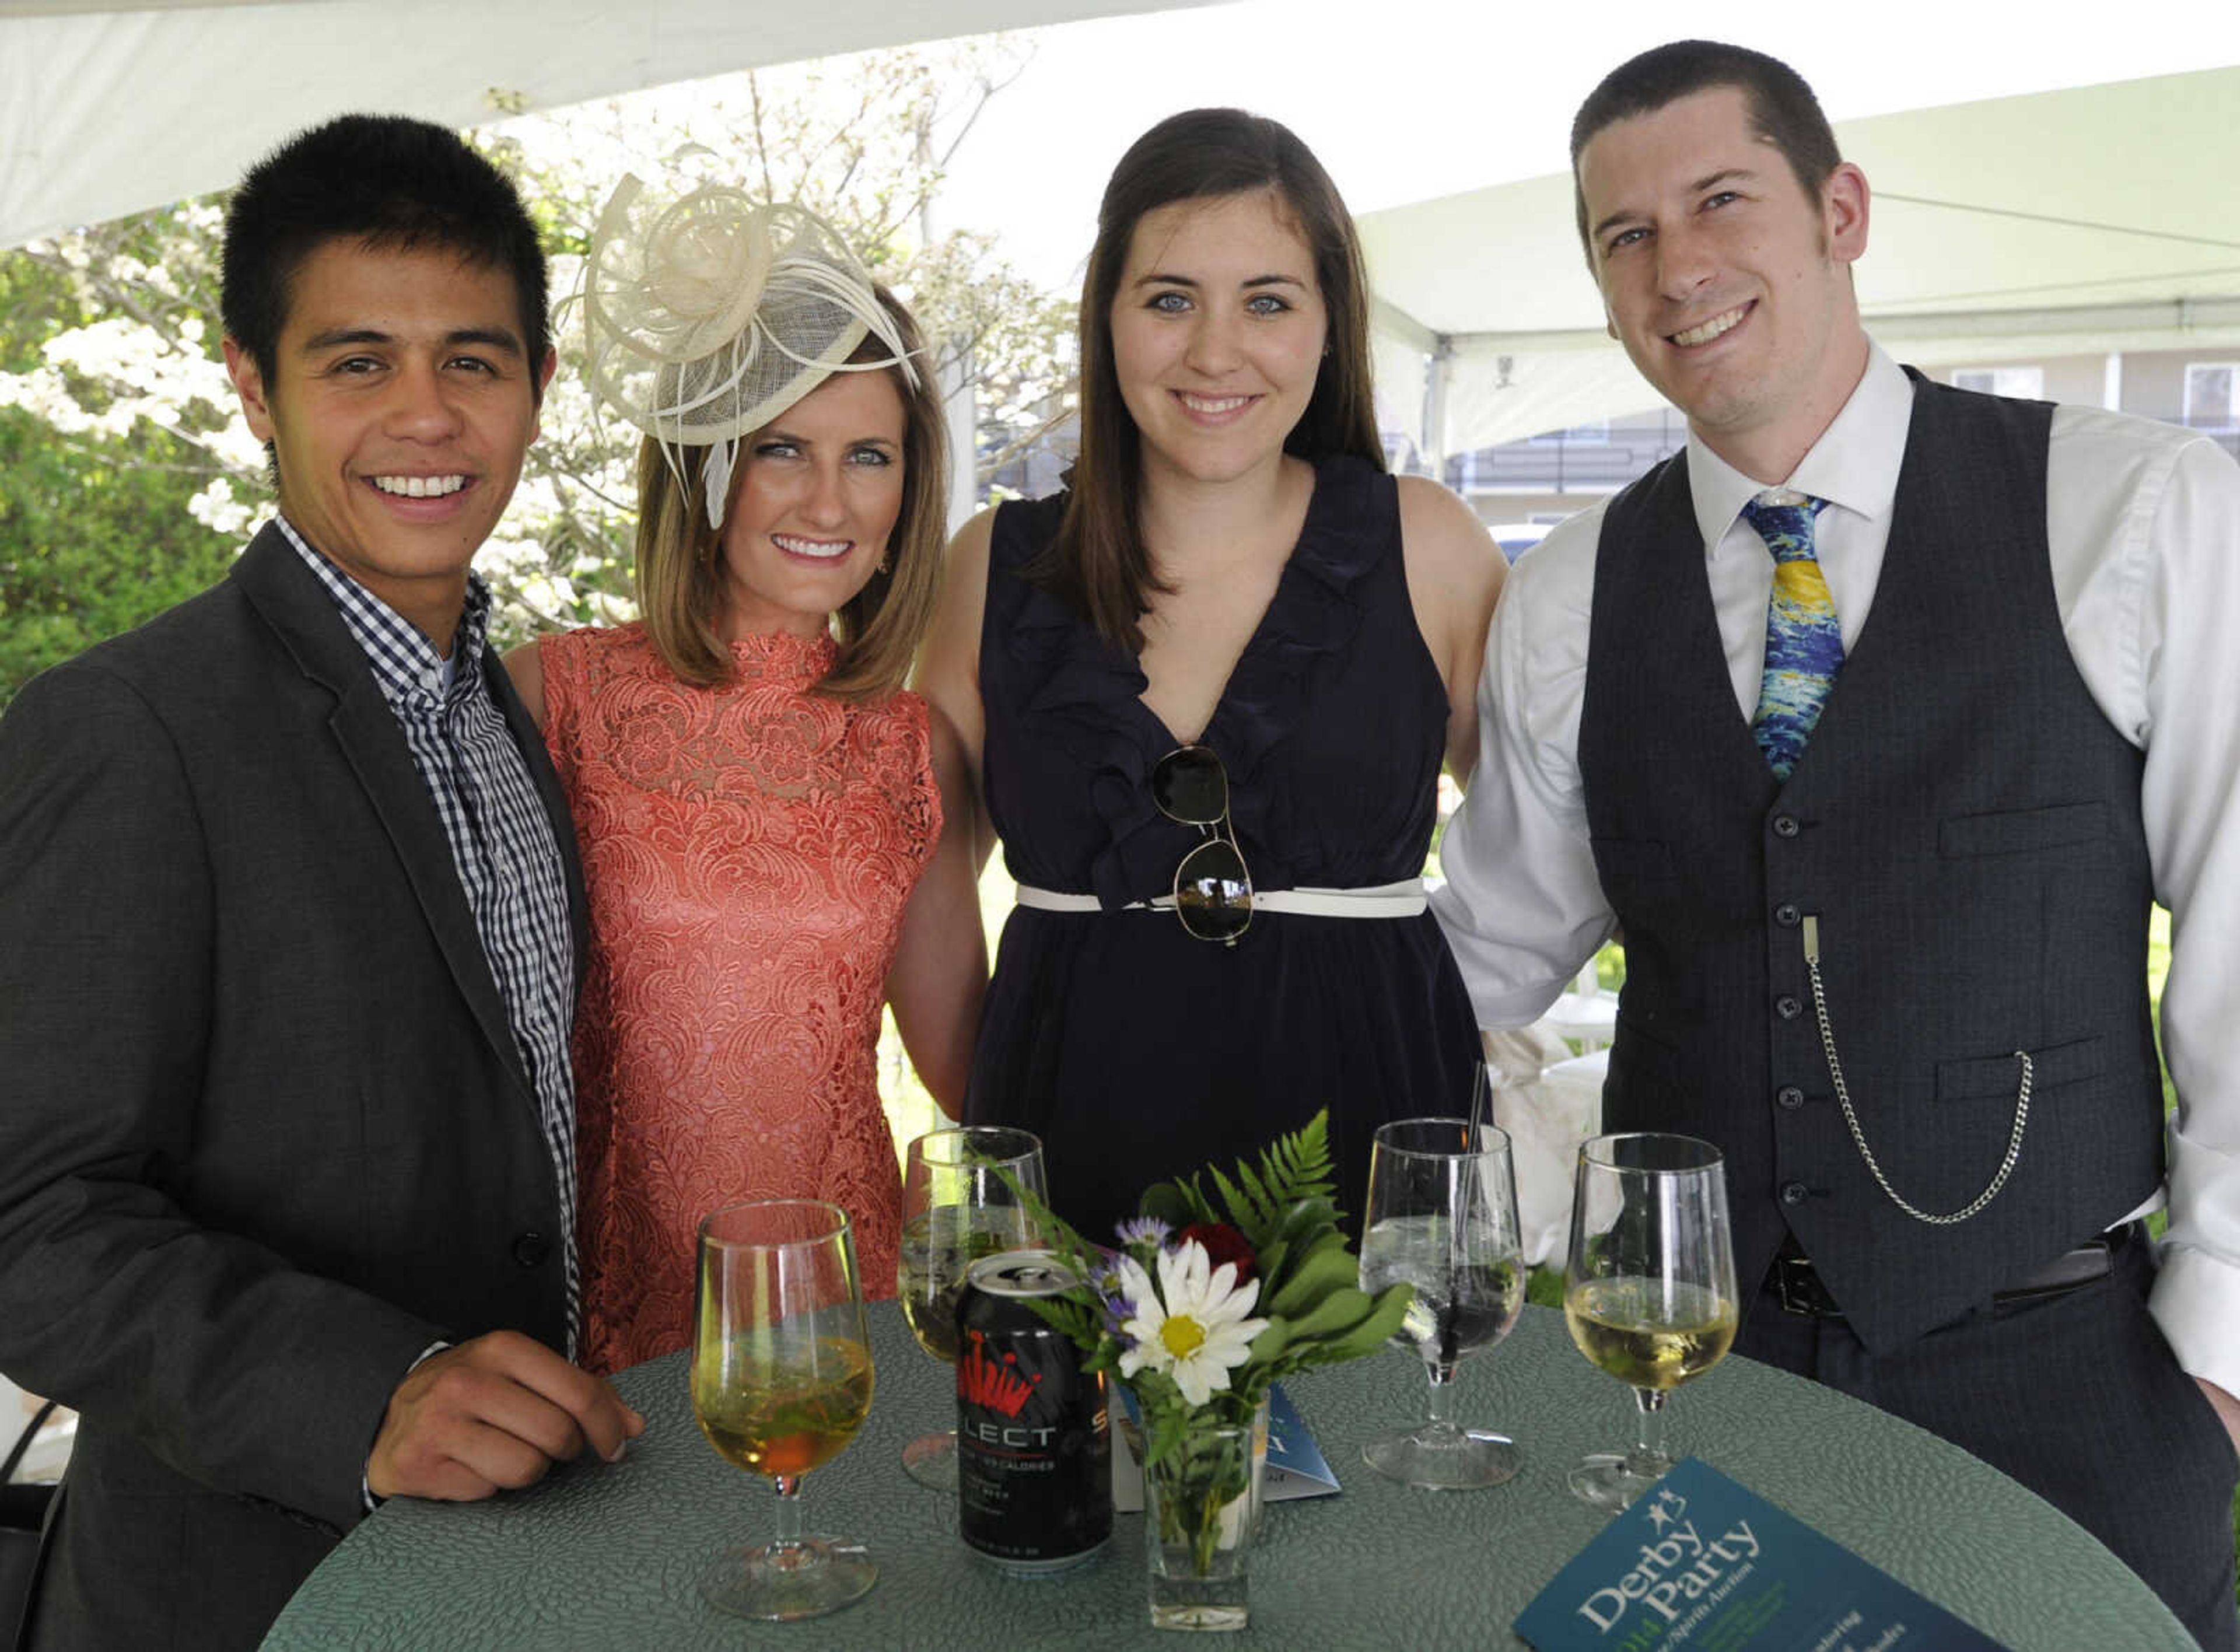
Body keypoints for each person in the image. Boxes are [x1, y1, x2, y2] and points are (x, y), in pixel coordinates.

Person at [1432, 40, 2240, 1647]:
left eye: (1720, 200)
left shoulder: (2131, 506)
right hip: (1695, 1386)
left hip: (2070, 1371)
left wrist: (2218, 1353)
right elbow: (1492, 949)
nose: (1679, 266)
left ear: (1842, 210)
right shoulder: (1573, 594)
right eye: (1624, 236)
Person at [0, 116, 642, 1652]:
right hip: (241, 1598)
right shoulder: (130, 729)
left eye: (473, 362)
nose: (425, 417)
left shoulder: (508, 721)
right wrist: (368, 1394)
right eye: (359, 362)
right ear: (251, 387)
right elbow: (28, 1215)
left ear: (539, 392)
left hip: (503, 1576)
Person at [919, 108, 1504, 1240]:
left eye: (1269, 301)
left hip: (1374, 1169)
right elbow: (926, 873)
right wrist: (997, 1118)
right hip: (1065, 1173)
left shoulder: (1430, 546)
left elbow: (1550, 848)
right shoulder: (995, 561)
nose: (1215, 351)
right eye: (1170, 298)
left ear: (1333, 323)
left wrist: (1457, 1046)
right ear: (1107, 315)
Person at [505, 180, 984, 1374]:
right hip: (599, 1318)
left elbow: (976, 1065)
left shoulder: (910, 747)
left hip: (842, 1310)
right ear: (707, 461)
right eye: (785, 449)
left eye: (869, 456)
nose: (831, 502)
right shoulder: (553, 696)